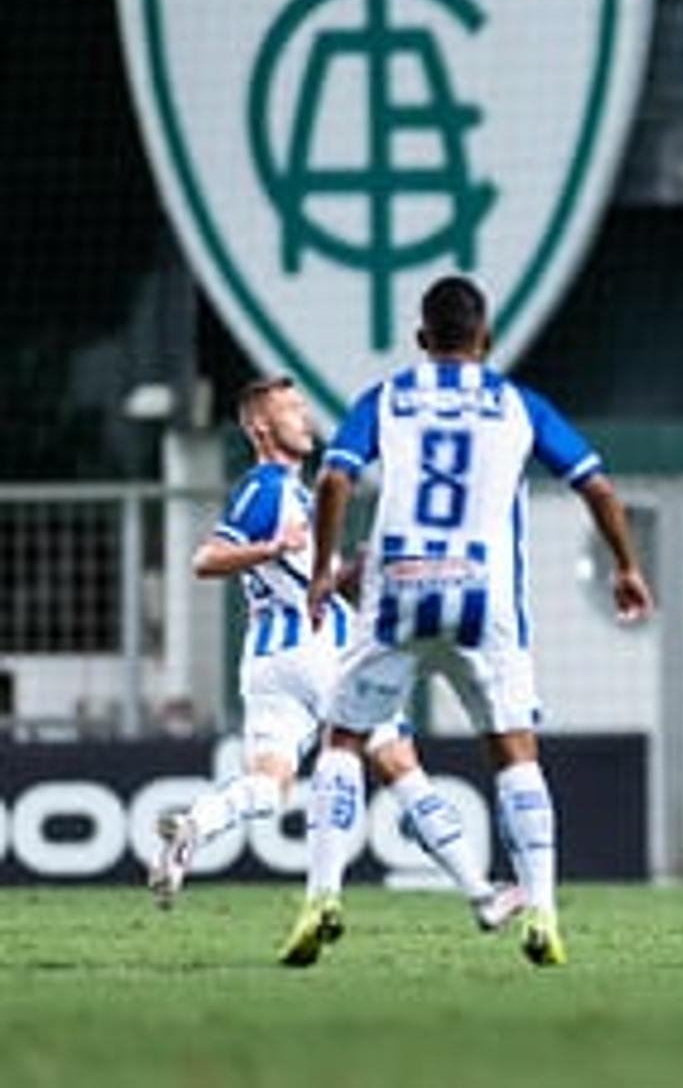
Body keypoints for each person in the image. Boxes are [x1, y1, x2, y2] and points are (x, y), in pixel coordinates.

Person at [278, 276, 653, 968]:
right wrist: (626, 565)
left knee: (343, 741)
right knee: (515, 753)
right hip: (486, 597)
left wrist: (326, 566)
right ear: (486, 340)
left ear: (421, 340)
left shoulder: (387, 397)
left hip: (399, 590)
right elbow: (596, 484)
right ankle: (540, 911)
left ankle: (321, 896)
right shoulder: (518, 404)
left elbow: (333, 478)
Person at [147, 376, 518, 932]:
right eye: (289, 410)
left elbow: (303, 577)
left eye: (301, 407)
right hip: (320, 648)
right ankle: (481, 893)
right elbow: (206, 558)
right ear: (260, 427)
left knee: (270, 786)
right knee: (399, 764)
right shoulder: (266, 486)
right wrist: (269, 548)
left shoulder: (299, 492)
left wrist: (349, 572)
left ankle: (195, 825)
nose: (304, 417)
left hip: (271, 663)